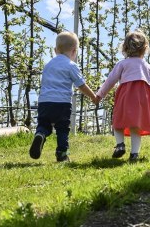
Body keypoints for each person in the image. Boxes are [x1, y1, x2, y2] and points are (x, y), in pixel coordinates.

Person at [29, 31, 98, 162]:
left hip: (44, 101)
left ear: (55, 50)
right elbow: (81, 85)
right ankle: (62, 153)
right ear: (74, 51)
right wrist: (93, 96)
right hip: (62, 103)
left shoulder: (48, 65)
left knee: (44, 123)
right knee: (62, 128)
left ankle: (40, 134)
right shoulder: (71, 65)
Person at [94, 30, 150, 162]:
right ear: (145, 48)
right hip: (142, 99)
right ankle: (134, 154)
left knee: (118, 121)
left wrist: (100, 94)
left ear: (124, 48)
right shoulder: (148, 67)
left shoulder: (122, 64)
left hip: (126, 95)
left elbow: (110, 81)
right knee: (136, 126)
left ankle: (120, 145)